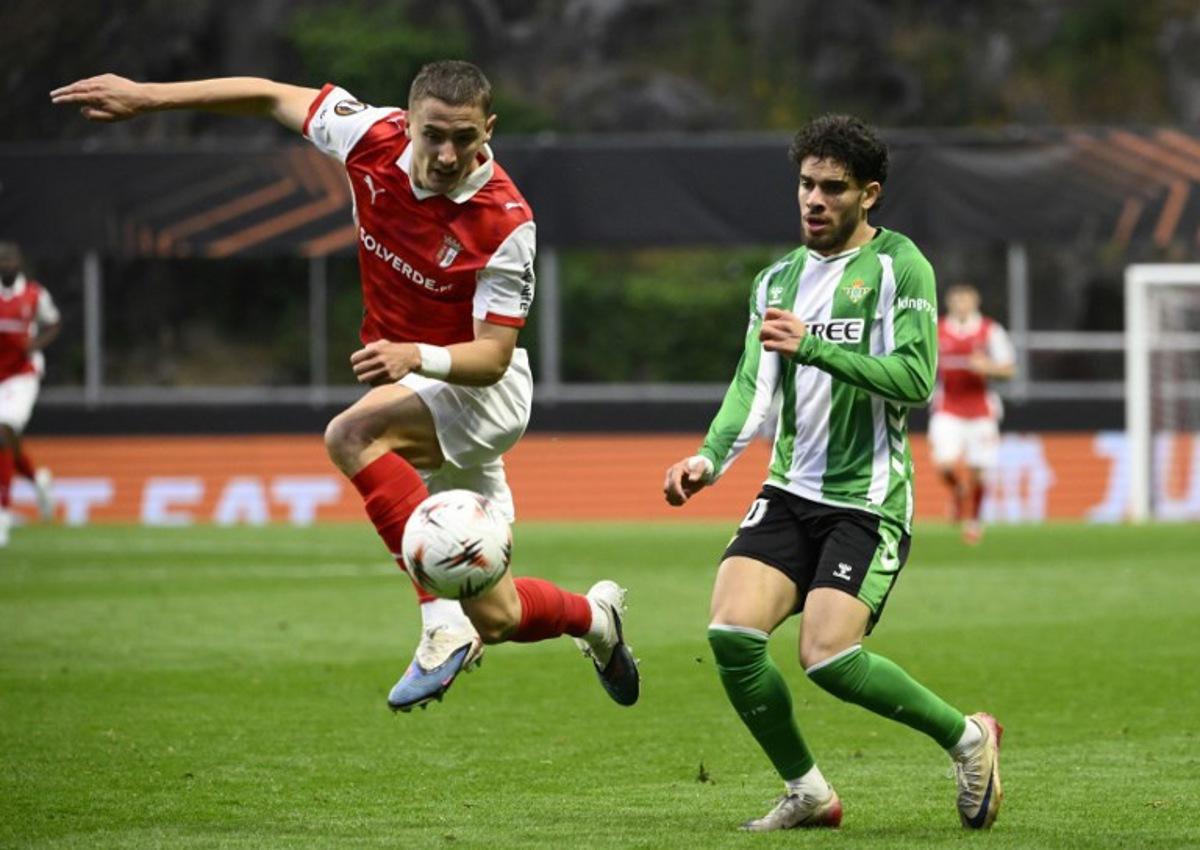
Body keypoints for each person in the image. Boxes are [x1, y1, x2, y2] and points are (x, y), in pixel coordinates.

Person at [52, 63, 638, 710]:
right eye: (432, 134)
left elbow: (494, 356)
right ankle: (597, 620)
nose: (446, 154)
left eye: (464, 137)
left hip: (479, 394)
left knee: (351, 433)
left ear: (488, 129)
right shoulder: (369, 135)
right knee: (496, 619)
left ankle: (438, 627)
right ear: (408, 121)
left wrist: (414, 353)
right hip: (417, 384)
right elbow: (269, 95)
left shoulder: (505, 221)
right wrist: (148, 96)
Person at [663, 115, 1002, 832]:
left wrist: (815, 345)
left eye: (832, 188)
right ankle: (809, 792)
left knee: (827, 656)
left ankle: (969, 739)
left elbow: (914, 379)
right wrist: (708, 459)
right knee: (730, 635)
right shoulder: (776, 280)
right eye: (806, 184)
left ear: (869, 194)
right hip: (789, 490)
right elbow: (751, 388)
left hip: (867, 501)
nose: (813, 200)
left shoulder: (899, 267)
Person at [930, 283, 1015, 543]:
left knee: (979, 471)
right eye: (956, 300)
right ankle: (958, 491)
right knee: (944, 466)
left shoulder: (990, 330)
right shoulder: (938, 329)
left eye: (965, 300)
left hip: (980, 410)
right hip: (949, 408)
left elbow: (1009, 369)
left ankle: (973, 521)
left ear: (975, 303)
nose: (961, 305)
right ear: (949, 303)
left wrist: (987, 367)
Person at [0, 242, 60, 546]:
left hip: (22, 376)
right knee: (5, 441)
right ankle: (37, 480)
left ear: (20, 262)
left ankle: (2, 516)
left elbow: (54, 322)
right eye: (2, 260)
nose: (6, 264)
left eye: (10, 259)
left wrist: (34, 346)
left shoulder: (35, 294)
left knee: (3, 431)